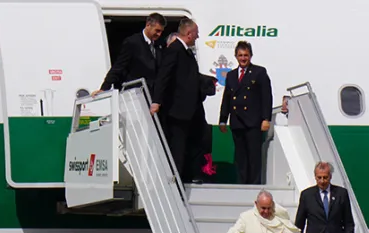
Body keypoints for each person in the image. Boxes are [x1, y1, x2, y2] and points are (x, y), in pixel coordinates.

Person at [150, 19, 206, 184]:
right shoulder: (175, 50)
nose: (198, 36)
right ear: (189, 34)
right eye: (196, 33)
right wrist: (156, 101)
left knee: (190, 144)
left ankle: (186, 176)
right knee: (177, 146)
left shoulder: (185, 51)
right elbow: (164, 76)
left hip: (189, 110)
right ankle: (175, 180)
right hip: (177, 110)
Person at [218, 41, 273, 185]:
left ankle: (254, 185)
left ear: (251, 56)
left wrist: (266, 118)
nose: (243, 58)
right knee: (240, 156)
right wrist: (223, 119)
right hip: (237, 122)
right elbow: (227, 98)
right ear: (236, 56)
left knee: (254, 156)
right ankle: (241, 184)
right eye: (240, 55)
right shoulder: (230, 75)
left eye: (246, 55)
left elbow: (266, 97)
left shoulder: (259, 72)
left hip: (253, 122)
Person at [93, 13, 166, 97]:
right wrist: (104, 88)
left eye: (161, 31)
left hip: (153, 96)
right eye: (157, 30)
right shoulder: (132, 42)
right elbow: (119, 66)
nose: (159, 34)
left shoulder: (159, 45)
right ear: (148, 25)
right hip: (136, 94)